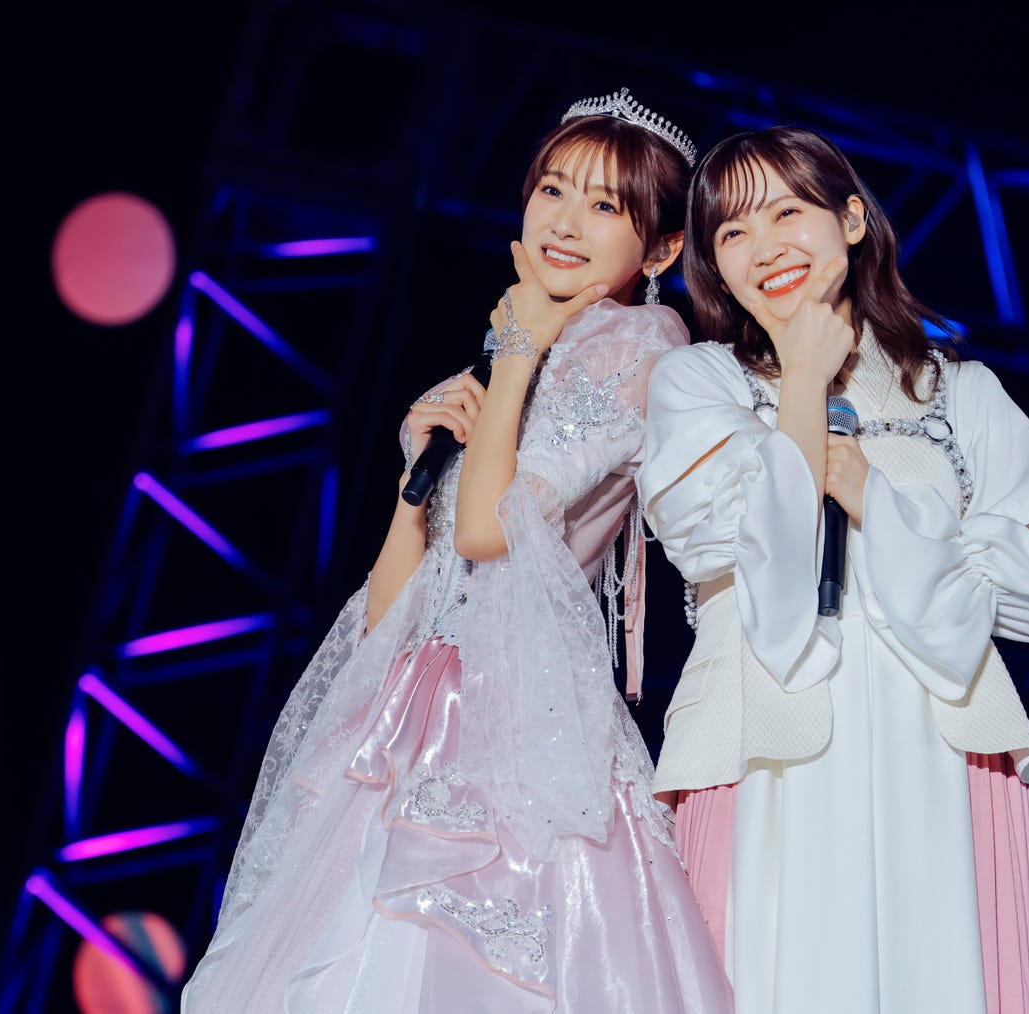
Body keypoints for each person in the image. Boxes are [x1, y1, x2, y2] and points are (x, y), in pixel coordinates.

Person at [182, 89, 732, 1013]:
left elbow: (488, 532)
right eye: (552, 190)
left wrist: (514, 352)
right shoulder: (521, 352)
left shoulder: (640, 347)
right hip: (411, 710)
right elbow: (390, 617)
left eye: (604, 205)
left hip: (518, 726)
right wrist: (414, 481)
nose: (564, 222)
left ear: (663, 249)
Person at [636, 125, 1029, 1013]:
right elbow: (728, 550)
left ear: (850, 220)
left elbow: (1028, 589)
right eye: (733, 231)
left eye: (787, 213)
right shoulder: (696, 382)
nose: (765, 246)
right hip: (766, 743)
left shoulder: (959, 392)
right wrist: (803, 382)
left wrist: (873, 500)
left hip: (942, 744)